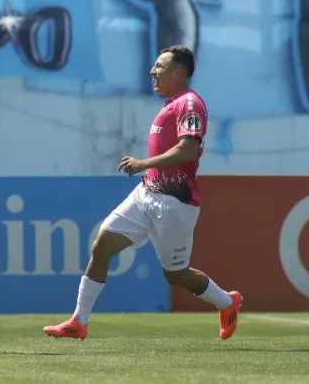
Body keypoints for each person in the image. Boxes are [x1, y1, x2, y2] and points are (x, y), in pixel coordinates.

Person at [43, 45, 243, 341]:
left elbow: (188, 149)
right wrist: (147, 170)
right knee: (102, 246)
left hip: (174, 204)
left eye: (159, 66)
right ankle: (79, 321)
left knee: (175, 275)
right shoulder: (170, 103)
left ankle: (228, 302)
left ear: (178, 72)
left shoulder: (189, 104)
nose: (152, 71)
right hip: (146, 193)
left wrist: (143, 163)